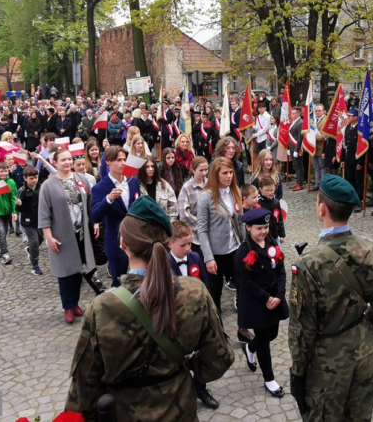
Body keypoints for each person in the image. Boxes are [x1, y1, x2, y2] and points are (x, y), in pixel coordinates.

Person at [64, 196, 234, 420]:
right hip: (179, 411)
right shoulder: (194, 293)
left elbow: (83, 390)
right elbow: (219, 359)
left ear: (123, 244)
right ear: (167, 244)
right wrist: (182, 368)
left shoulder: (102, 307)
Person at [289, 174, 373, 420]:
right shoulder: (372, 250)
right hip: (365, 357)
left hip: (327, 367)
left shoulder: (308, 263)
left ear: (321, 208)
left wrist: (298, 373)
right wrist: (359, 329)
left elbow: (302, 331)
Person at [38, 147, 97, 323]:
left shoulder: (80, 179)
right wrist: (48, 237)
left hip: (81, 233)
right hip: (61, 235)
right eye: (63, 160)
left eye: (69, 159)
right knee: (65, 272)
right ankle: (67, 306)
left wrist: (94, 223)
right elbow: (43, 214)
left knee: (79, 269)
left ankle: (75, 302)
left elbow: (89, 204)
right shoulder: (48, 186)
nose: (67, 163)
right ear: (54, 162)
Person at [235, 206, 289, 398]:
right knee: (264, 341)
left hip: (275, 297)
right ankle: (269, 379)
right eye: (259, 228)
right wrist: (266, 299)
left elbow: (281, 271)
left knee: (272, 334)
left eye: (266, 227)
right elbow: (246, 282)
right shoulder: (244, 251)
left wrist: (279, 295)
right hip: (258, 301)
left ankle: (250, 347)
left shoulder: (272, 244)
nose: (264, 232)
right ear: (248, 228)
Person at [167, 220, 221, 410]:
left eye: (190, 244)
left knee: (201, 355)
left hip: (196, 318)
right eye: (183, 245)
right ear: (169, 243)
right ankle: (180, 393)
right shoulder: (164, 264)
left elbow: (205, 286)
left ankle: (201, 388)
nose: (188, 248)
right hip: (176, 320)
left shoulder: (195, 258)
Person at [197, 157, 245, 315]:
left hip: (234, 248)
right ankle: (216, 329)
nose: (229, 176)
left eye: (231, 172)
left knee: (243, 287)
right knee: (215, 293)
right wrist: (208, 257)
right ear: (215, 175)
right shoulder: (206, 197)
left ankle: (243, 329)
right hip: (216, 253)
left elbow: (241, 222)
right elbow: (202, 230)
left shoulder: (235, 191)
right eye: (225, 173)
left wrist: (245, 246)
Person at [92, 146, 142, 287]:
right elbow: (95, 215)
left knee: (137, 280)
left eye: (124, 159)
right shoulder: (100, 188)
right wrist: (108, 199)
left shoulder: (132, 181)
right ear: (108, 162)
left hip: (136, 239)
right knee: (118, 282)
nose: (123, 163)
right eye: (118, 160)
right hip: (115, 241)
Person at [16, 166, 44, 275]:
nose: (34, 180)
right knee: (34, 242)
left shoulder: (41, 188)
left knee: (40, 240)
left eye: (36, 177)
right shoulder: (22, 191)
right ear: (25, 179)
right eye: (31, 178)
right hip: (28, 221)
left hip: (40, 219)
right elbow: (18, 209)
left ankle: (30, 249)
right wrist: (19, 205)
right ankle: (35, 264)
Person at [339, 109, 364, 212]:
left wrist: (360, 162)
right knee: (350, 181)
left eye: (350, 116)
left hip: (357, 160)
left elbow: (363, 147)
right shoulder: (348, 127)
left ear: (356, 117)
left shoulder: (360, 129)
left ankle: (358, 201)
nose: (348, 117)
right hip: (349, 159)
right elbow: (345, 145)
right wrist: (342, 159)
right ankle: (351, 200)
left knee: (359, 182)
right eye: (348, 115)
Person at [257, 176, 285, 243]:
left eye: (272, 190)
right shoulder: (258, 203)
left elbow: (280, 219)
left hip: (275, 236)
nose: (270, 192)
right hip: (263, 237)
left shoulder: (276, 202)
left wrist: (282, 235)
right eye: (267, 190)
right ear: (261, 190)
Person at [288, 106, 306, 190]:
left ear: (298, 114)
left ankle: (300, 183)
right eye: (291, 113)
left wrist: (296, 149)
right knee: (296, 165)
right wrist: (289, 148)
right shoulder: (294, 122)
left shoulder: (300, 122)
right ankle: (297, 181)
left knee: (299, 166)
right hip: (292, 147)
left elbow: (300, 137)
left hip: (297, 148)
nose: (291, 115)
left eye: (293, 113)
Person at [310, 103, 327, 191]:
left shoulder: (326, 120)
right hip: (313, 147)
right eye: (316, 110)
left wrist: (314, 137)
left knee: (322, 167)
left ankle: (322, 185)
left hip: (321, 147)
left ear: (323, 111)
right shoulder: (312, 120)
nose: (317, 112)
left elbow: (324, 135)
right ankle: (317, 183)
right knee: (316, 167)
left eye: (319, 110)